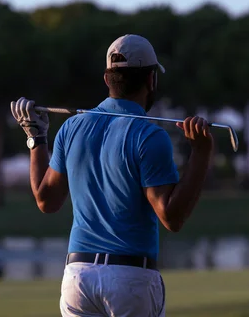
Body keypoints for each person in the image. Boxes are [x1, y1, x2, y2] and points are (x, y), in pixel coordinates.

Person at [11, 34, 214, 317]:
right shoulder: (149, 135)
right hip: (130, 278)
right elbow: (172, 217)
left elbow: (46, 201)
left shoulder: (71, 128)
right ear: (151, 80)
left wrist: (36, 137)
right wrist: (201, 153)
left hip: (78, 278)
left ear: (107, 80)